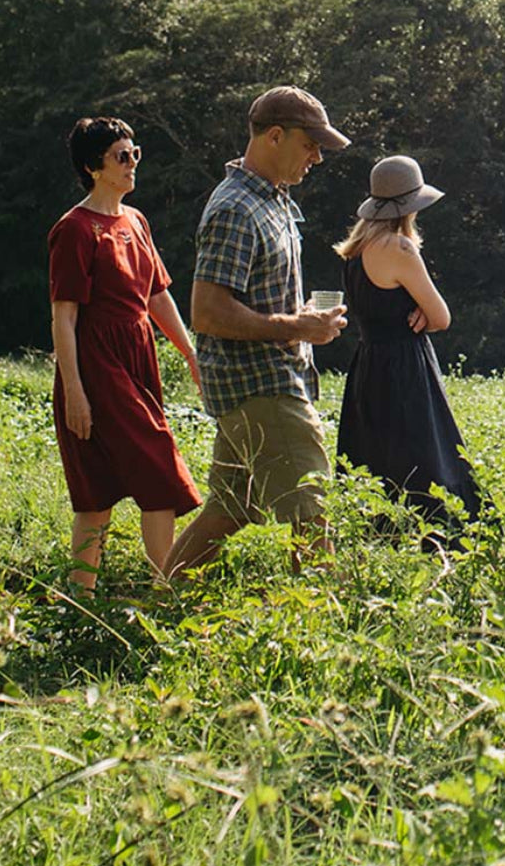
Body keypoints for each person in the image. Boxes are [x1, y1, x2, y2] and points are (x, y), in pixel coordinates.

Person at [165, 87, 349, 577]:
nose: (316, 158)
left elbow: (248, 299)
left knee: (231, 507)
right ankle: (322, 630)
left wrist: (303, 318)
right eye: (310, 145)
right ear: (274, 135)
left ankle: (155, 597)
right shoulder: (235, 209)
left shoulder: (272, 202)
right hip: (259, 384)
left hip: (260, 380)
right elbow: (207, 311)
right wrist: (296, 326)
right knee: (313, 510)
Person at [48, 117, 203, 589]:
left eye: (135, 152)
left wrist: (191, 355)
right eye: (122, 155)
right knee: (157, 473)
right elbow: (65, 317)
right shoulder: (74, 229)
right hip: (98, 365)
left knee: (100, 493)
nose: (132, 162)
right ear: (95, 167)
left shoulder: (136, 221)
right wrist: (75, 391)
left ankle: (82, 600)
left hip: (138, 356)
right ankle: (166, 590)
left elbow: (157, 296)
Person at [333, 155, 486, 541]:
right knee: (428, 460)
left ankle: (382, 544)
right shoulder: (400, 249)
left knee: (378, 461)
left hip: (368, 367)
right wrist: (420, 310)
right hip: (405, 368)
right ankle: (446, 544)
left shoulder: (353, 254)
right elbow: (442, 317)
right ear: (410, 207)